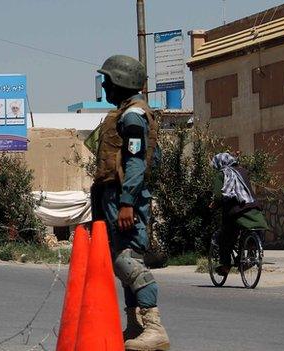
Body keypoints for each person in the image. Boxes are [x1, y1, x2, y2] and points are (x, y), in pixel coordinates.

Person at [91, 55, 170, 350]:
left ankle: (154, 326)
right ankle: (135, 325)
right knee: (120, 262)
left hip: (127, 199)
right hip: (115, 198)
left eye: (108, 80)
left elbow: (136, 162)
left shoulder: (133, 115)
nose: (104, 85)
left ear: (121, 82)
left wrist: (127, 202)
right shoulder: (126, 113)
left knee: (128, 261)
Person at [210, 152, 269, 276]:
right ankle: (248, 256)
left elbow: (218, 196)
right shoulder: (243, 171)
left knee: (224, 237)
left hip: (235, 211)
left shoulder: (221, 174)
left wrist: (214, 205)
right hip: (253, 207)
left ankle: (225, 266)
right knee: (250, 229)